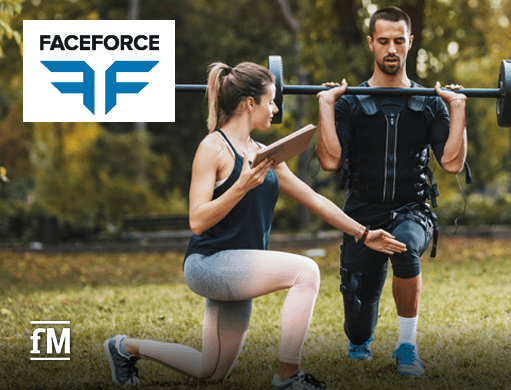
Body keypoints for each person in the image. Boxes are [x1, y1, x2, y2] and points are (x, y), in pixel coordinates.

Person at [103, 61, 407, 390]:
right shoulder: (213, 148)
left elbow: (313, 199)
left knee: (211, 370)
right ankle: (289, 378)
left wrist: (363, 233)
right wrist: (241, 186)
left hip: (240, 265)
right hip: (208, 263)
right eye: (271, 101)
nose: (275, 109)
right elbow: (197, 220)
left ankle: (123, 347)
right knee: (306, 272)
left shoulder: (265, 153)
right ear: (250, 103)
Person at [315, 6, 468, 377]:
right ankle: (361, 339)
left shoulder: (430, 101)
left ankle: (407, 348)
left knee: (404, 244)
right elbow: (331, 161)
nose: (391, 49)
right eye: (383, 41)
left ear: (410, 43)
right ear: (371, 43)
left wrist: (458, 109)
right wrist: (325, 105)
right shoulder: (349, 102)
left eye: (399, 41)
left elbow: (451, 163)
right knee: (358, 326)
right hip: (361, 210)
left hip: (412, 208)